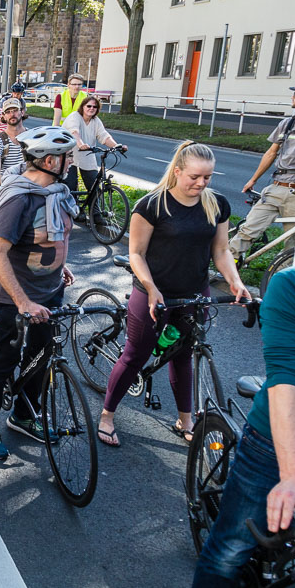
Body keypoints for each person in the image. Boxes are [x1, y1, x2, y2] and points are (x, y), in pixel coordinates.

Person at [98, 142, 249, 447]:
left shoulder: (216, 204)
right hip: (154, 292)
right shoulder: (153, 205)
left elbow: (220, 250)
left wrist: (235, 280)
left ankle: (186, 419)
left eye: (207, 177)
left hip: (194, 293)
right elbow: (136, 254)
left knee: (182, 356)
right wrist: (151, 288)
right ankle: (106, 416)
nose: (201, 183)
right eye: (195, 176)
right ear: (177, 171)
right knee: (135, 356)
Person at [186, 263, 295, 588]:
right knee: (227, 553)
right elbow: (285, 378)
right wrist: (294, 475)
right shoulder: (292, 284)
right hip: (273, 442)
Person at [0, 126, 79, 461]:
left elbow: (53, 234)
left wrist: (60, 264)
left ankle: (22, 415)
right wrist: (23, 303)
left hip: (49, 291)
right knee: (4, 360)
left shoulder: (56, 191)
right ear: (50, 160)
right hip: (14, 298)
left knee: (41, 356)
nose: (71, 162)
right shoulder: (19, 198)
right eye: (67, 157)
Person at [229, 81, 295, 260]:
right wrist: (253, 179)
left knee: (292, 244)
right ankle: (226, 269)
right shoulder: (287, 123)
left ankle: (279, 280)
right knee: (247, 230)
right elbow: (271, 153)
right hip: (276, 187)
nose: (293, 97)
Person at [62, 95, 127, 218]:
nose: (91, 108)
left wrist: (117, 146)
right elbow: (74, 132)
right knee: (70, 186)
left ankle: (95, 215)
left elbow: (104, 136)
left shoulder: (95, 121)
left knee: (94, 185)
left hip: (87, 153)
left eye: (94, 107)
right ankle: (72, 212)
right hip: (69, 154)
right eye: (89, 106)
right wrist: (80, 144)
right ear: (83, 106)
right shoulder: (74, 117)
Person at [0, 98, 27, 186]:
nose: (12, 114)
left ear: (22, 112)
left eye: (15, 110)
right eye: (8, 112)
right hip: (7, 189)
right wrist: (12, 187)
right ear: (3, 116)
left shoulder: (32, 137)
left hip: (29, 186)